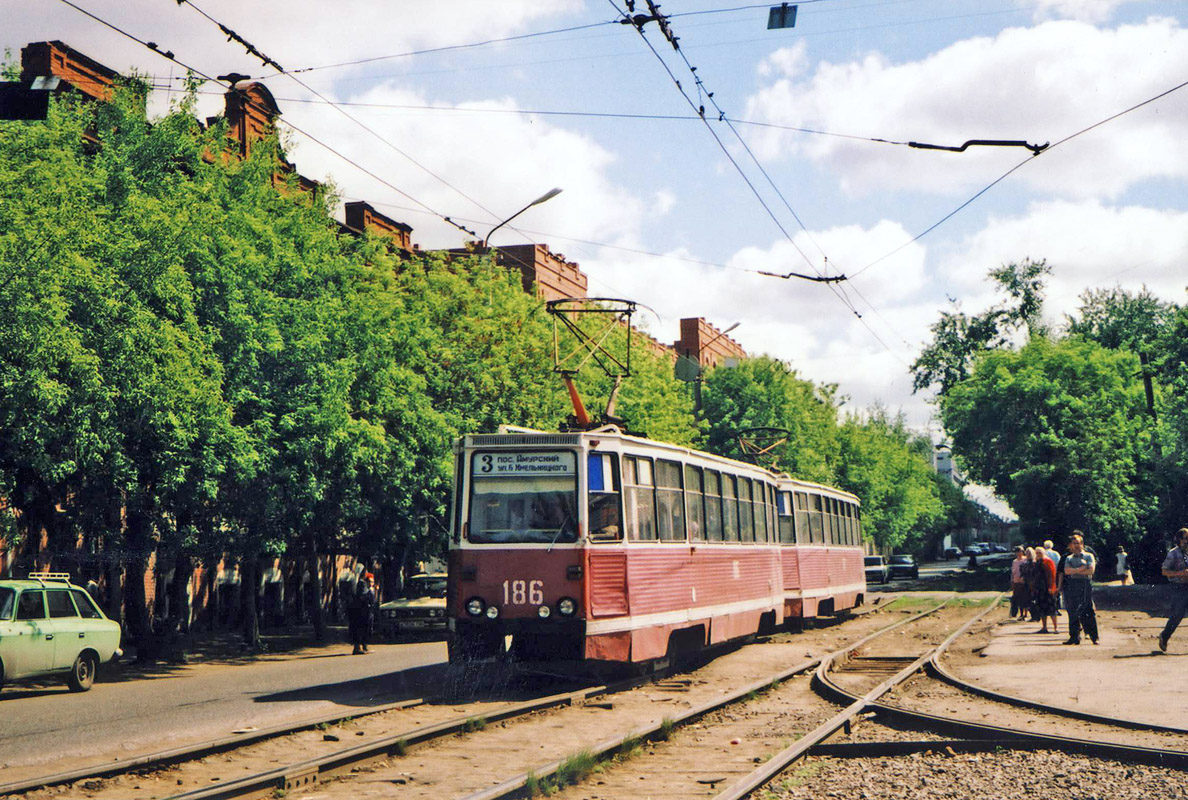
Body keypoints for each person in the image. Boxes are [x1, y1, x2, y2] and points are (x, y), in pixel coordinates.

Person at [1062, 532, 1099, 645]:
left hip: (1085, 584)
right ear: (1071, 545)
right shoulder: (1068, 558)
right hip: (1073, 584)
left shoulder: (1089, 556)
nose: (1076, 545)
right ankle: (1074, 637)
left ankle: (1094, 636)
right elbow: (1067, 571)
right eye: (1074, 543)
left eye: (1078, 543)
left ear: (1082, 544)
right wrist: (1081, 568)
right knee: (1072, 610)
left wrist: (1075, 570)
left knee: (1087, 609)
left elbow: (1091, 570)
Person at [1157, 528, 1188, 652]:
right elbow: (1164, 571)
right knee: (1178, 614)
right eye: (1186, 538)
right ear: (1180, 539)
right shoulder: (1173, 553)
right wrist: (1181, 573)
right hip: (1179, 587)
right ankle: (1164, 636)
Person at [1030, 546, 1059, 634]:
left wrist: (1051, 587)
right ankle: (1044, 627)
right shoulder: (1036, 562)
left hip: (1047, 588)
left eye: (1040, 553)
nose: (1038, 554)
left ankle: (1055, 628)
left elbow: (1052, 575)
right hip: (1039, 589)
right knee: (1041, 608)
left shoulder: (1048, 561)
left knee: (1051, 608)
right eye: (1037, 553)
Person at [348, 572, 378, 655]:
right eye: (370, 581)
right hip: (363, 613)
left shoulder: (368, 590)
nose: (372, 583)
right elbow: (367, 600)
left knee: (366, 630)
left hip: (367, 613)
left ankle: (364, 647)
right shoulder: (363, 589)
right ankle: (358, 647)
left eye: (372, 582)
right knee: (361, 630)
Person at [1009, 546, 1031, 620]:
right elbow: (1013, 572)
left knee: (1024, 598)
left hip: (1024, 582)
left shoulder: (1025, 560)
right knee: (1018, 598)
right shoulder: (1014, 561)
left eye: (1020, 551)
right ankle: (1020, 614)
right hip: (1016, 582)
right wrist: (1012, 581)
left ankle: (1025, 614)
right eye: (1017, 552)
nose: (1018, 553)